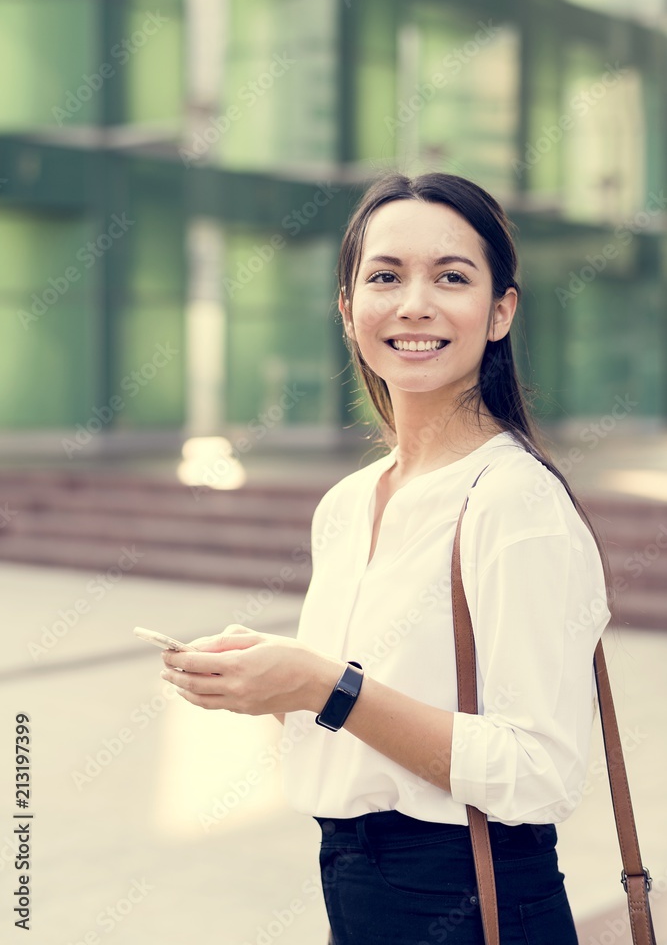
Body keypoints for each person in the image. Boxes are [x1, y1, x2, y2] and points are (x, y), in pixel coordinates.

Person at [160, 172, 612, 944]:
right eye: (384, 276)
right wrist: (273, 683)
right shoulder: (347, 502)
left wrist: (321, 684)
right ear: (347, 310)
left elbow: (537, 771)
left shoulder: (514, 504)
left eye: (451, 277)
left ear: (500, 311)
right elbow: (374, 712)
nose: (413, 303)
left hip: (471, 893)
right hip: (353, 882)